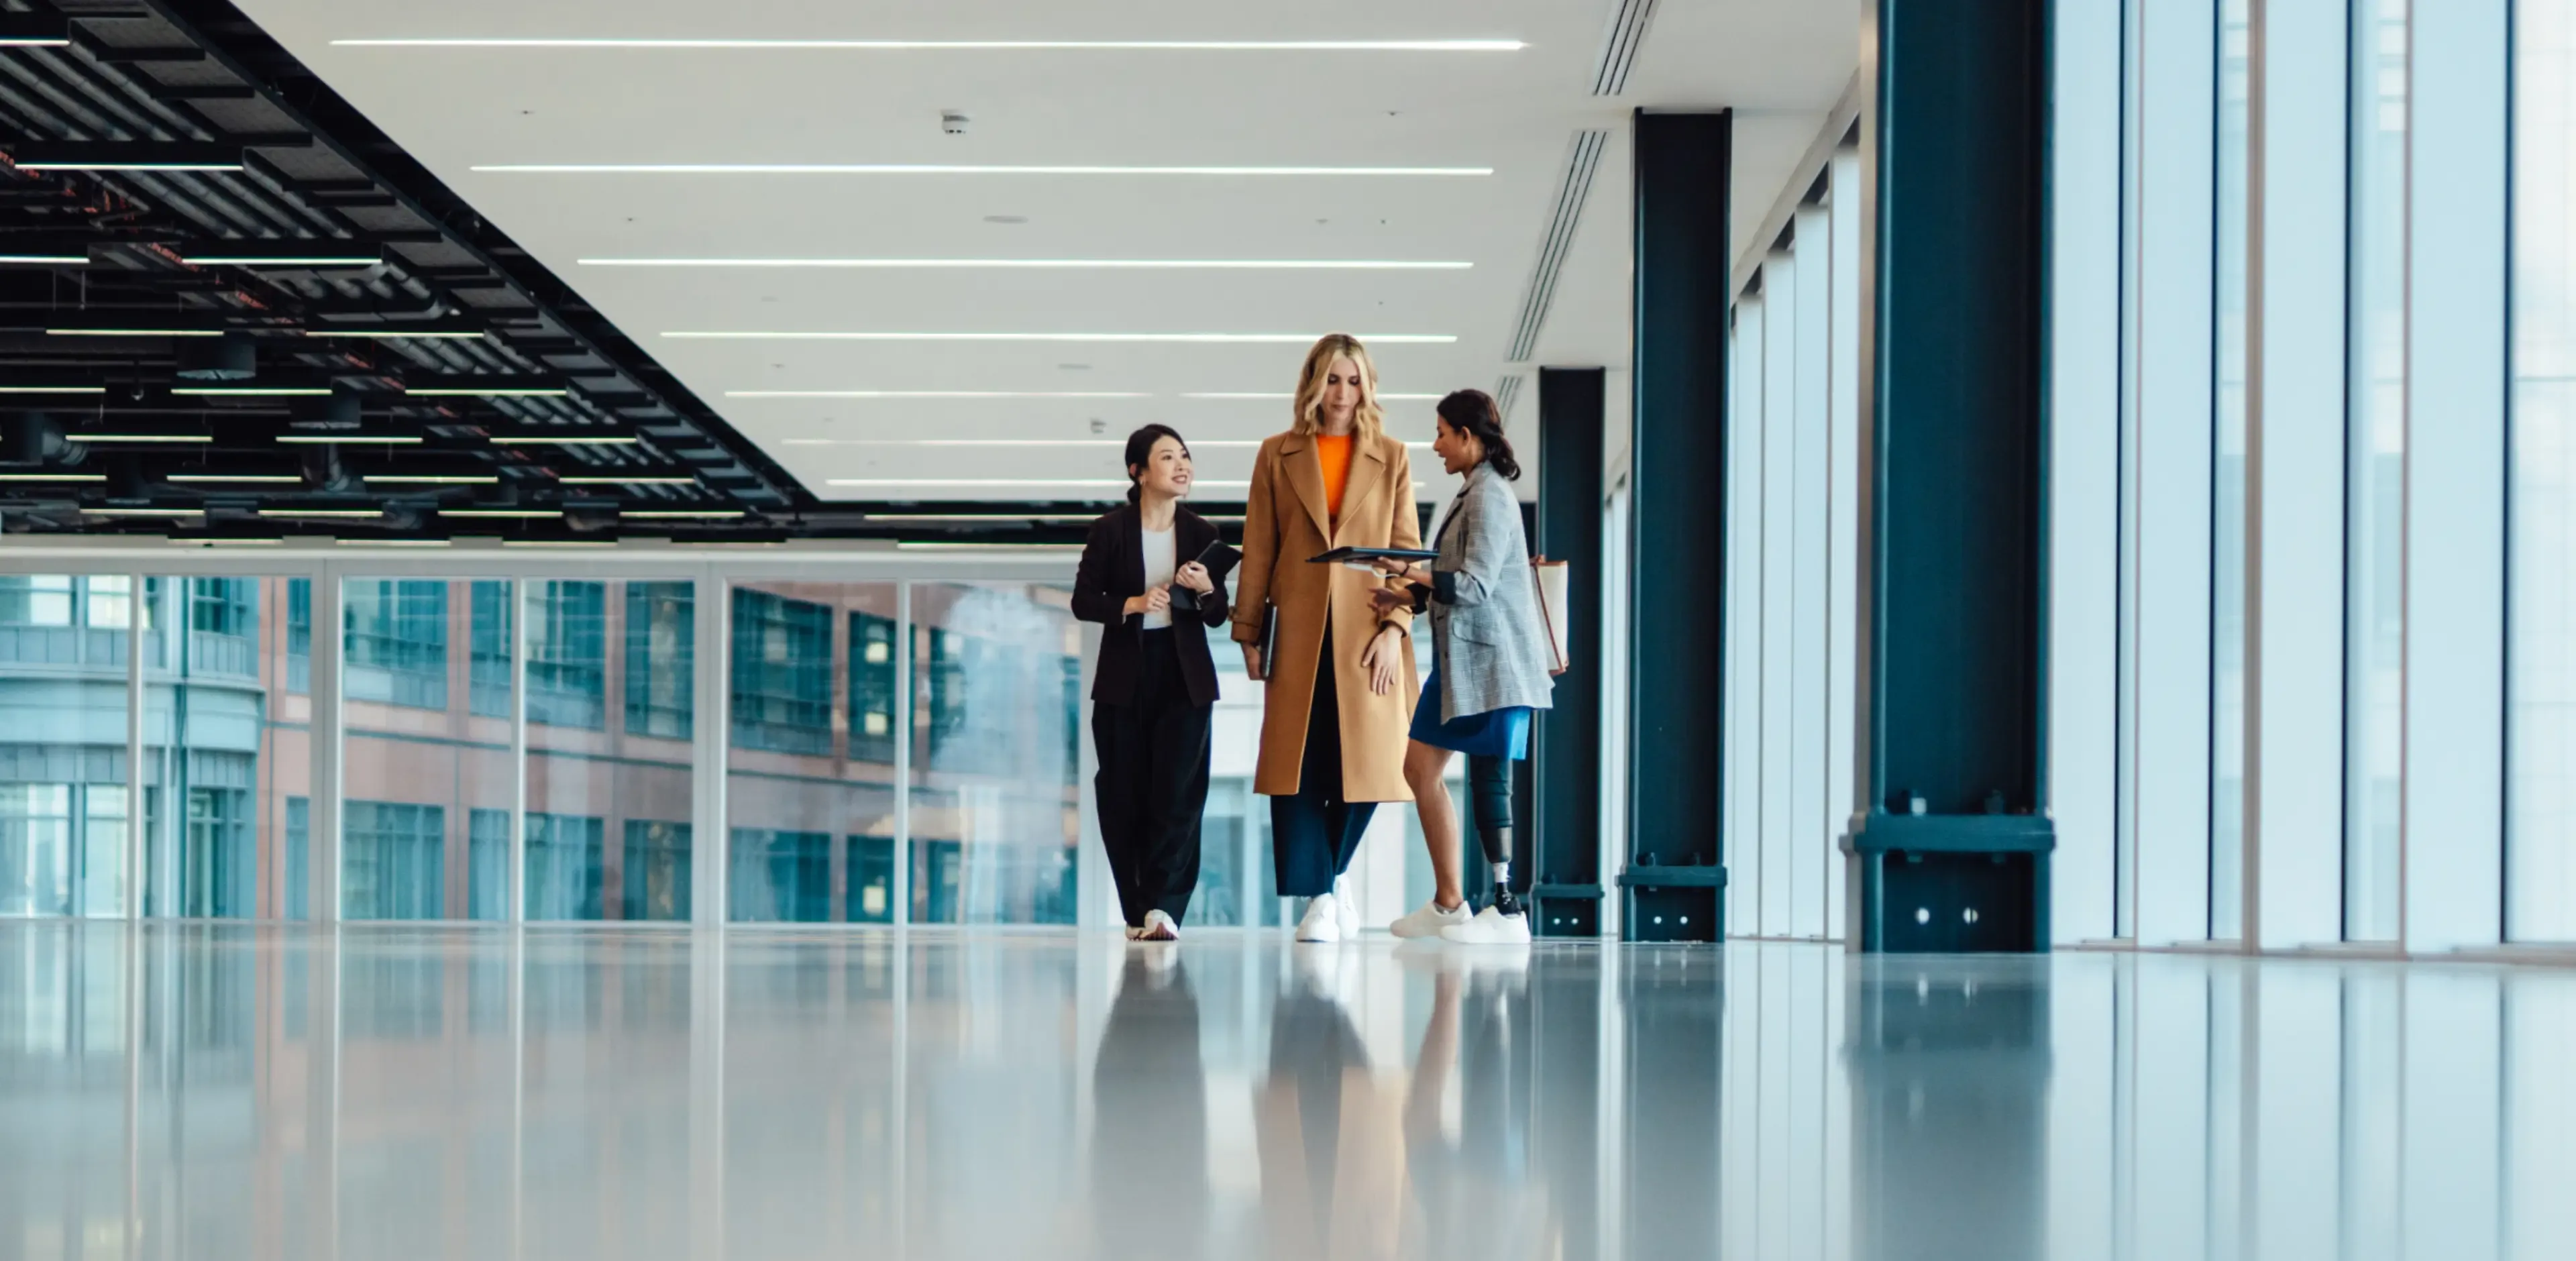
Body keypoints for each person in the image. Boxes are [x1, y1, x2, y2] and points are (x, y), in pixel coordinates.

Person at [1232, 333, 1424, 944]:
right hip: (1299, 628)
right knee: (1296, 765)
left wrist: (1396, 628)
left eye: (1354, 380)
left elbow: (1408, 553)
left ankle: (1332, 878)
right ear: (1314, 384)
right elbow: (1259, 547)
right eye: (1333, 380)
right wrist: (1248, 632)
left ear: (1368, 387)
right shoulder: (1276, 453)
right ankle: (1321, 894)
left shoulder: (1392, 456)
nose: (1343, 393)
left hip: (1367, 629)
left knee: (1367, 762)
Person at [1374, 389, 1556, 945]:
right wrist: (1407, 594)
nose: (1436, 445)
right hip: (1460, 662)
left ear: (1467, 437)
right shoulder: (1472, 492)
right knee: (1418, 769)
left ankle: (1505, 908)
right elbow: (1458, 579)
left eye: (1442, 434)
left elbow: (1475, 585)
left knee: (1489, 776)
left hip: (1492, 662)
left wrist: (1412, 571)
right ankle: (1449, 903)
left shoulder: (1490, 496)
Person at [1072, 425, 1228, 941]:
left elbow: (1217, 615)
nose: (1182, 466)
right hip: (1125, 675)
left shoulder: (1202, 532)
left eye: (1185, 456)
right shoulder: (1110, 530)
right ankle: (1137, 911)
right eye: (1168, 457)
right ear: (1138, 471)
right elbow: (1083, 601)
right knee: (1122, 793)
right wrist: (1134, 604)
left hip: (1186, 677)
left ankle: (1165, 908)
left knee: (1179, 794)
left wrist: (1206, 589)